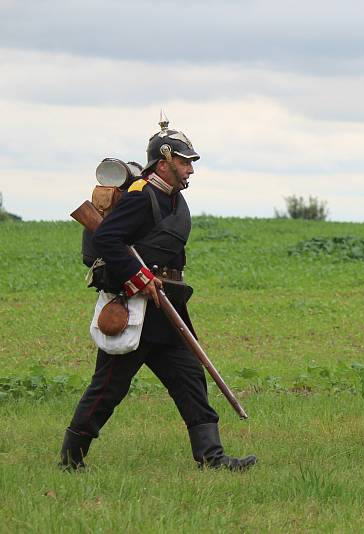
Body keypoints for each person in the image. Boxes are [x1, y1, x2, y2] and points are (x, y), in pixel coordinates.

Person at [59, 117, 257, 471]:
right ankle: (71, 458)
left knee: (191, 379)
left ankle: (211, 458)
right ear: (164, 162)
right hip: (137, 306)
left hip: (168, 306)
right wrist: (139, 276)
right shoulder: (140, 196)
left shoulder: (174, 201)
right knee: (108, 388)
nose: (190, 170)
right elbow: (106, 240)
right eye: (184, 162)